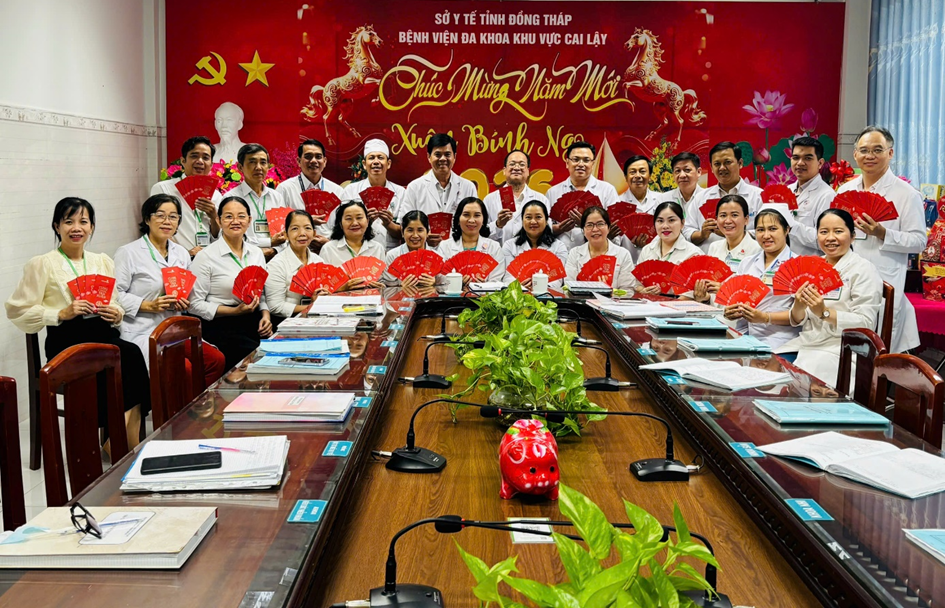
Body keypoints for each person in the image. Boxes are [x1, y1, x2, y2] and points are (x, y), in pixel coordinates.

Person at [5, 197, 148, 449]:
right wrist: (61, 313)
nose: (76, 228)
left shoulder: (101, 261)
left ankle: (122, 439)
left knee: (131, 355)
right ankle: (120, 442)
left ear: (92, 226)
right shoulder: (43, 264)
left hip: (103, 336)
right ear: (56, 226)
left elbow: (115, 302)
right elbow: (17, 310)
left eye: (83, 221)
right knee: (122, 356)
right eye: (68, 221)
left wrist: (115, 313)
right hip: (67, 341)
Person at [113, 194, 226, 387]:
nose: (167, 221)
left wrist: (184, 301)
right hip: (142, 330)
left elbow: (187, 289)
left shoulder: (181, 253)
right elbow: (115, 296)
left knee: (215, 360)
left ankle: (198, 403)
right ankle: (179, 406)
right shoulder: (128, 252)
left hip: (174, 328)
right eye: (160, 215)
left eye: (173, 217)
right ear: (147, 219)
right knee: (183, 368)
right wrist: (149, 305)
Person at [837, 126, 925, 353]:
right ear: (855, 154)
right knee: (845, 344)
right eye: (864, 150)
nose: (870, 156)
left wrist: (883, 233)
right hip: (848, 278)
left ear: (890, 153)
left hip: (884, 280)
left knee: (877, 348)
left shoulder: (906, 194)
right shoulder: (845, 191)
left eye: (878, 150)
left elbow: (919, 241)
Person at [780, 209, 883, 388]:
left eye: (838, 231)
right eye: (824, 232)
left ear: (853, 236)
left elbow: (866, 323)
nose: (830, 238)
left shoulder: (863, 270)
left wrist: (824, 312)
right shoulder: (813, 266)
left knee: (802, 382)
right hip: (808, 342)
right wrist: (798, 305)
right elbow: (797, 319)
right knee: (771, 366)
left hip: (842, 348)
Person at [189, 196, 272, 370]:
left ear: (249, 220)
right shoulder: (205, 256)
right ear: (218, 221)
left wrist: (265, 315)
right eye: (228, 217)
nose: (235, 221)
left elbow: (261, 292)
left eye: (241, 216)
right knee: (260, 360)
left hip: (253, 320)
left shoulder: (257, 253)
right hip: (222, 325)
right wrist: (234, 311)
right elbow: (194, 304)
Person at [720, 208, 800, 351]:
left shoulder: (798, 266)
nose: (766, 235)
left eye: (773, 229)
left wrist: (765, 317)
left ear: (786, 230)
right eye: (760, 230)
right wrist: (729, 312)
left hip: (781, 339)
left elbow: (800, 316)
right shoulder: (747, 263)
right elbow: (733, 298)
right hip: (744, 335)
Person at [399, 133, 477, 248]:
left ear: (454, 157)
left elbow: (476, 221)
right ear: (429, 157)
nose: (443, 159)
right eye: (437, 154)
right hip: (425, 250)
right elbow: (404, 224)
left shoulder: (468, 187)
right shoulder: (415, 187)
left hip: (458, 249)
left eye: (447, 154)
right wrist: (424, 236)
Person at [150, 136, 222, 256]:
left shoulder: (216, 195)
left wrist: (214, 217)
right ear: (183, 161)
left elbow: (216, 235)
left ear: (211, 164)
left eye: (205, 157)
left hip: (208, 258)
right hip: (176, 258)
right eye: (194, 156)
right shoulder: (164, 189)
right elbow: (157, 227)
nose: (200, 161)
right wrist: (184, 254)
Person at [687, 142, 763, 252]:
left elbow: (767, 232)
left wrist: (734, 232)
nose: (722, 168)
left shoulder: (758, 196)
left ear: (740, 163)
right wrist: (702, 234)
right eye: (717, 164)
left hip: (747, 258)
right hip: (709, 258)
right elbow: (687, 231)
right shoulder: (700, 198)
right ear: (711, 167)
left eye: (727, 162)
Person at [546, 141, 619, 250]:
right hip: (561, 253)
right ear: (567, 163)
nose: (581, 164)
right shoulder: (552, 192)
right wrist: (558, 228)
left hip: (595, 253)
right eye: (576, 159)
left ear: (592, 164)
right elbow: (543, 229)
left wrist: (587, 225)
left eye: (586, 160)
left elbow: (615, 230)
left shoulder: (607, 190)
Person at [264, 210, 328, 329]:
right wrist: (311, 306)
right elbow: (275, 306)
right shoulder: (276, 265)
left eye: (307, 228)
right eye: (295, 229)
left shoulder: (319, 261)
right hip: (286, 324)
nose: (302, 233)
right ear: (286, 235)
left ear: (314, 233)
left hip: (317, 321)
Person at [276, 139, 345, 248]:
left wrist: (329, 244)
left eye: (318, 157)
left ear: (325, 161)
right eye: (308, 157)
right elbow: (278, 226)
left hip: (329, 247)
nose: (313, 161)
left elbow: (343, 226)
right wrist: (304, 222)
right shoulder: (285, 189)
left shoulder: (337, 191)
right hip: (295, 248)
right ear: (298, 161)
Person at [340, 139, 406, 250]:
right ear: (364, 164)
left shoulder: (400, 192)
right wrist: (366, 221)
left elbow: (404, 233)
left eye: (380, 157)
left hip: (390, 252)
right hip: (360, 250)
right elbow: (343, 227)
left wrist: (388, 223)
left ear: (388, 164)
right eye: (371, 158)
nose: (376, 161)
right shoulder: (351, 190)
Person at [230, 144, 287, 260]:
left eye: (263, 162)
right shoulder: (231, 198)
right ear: (240, 167)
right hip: (244, 259)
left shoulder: (276, 197)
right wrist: (269, 242)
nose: (258, 167)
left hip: (274, 259)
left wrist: (274, 250)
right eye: (252, 162)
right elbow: (230, 236)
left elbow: (284, 234)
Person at [565, 206, 638, 292]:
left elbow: (628, 290)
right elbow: (569, 286)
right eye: (589, 225)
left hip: (614, 300)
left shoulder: (623, 254)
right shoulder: (574, 253)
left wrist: (608, 292)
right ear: (583, 230)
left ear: (608, 228)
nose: (595, 229)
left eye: (600, 224)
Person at [436, 197, 506, 285]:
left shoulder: (494, 247)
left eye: (477, 215)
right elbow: (439, 279)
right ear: (458, 219)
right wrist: (457, 283)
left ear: (483, 219)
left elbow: (497, 281)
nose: (471, 220)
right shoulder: (444, 246)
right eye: (466, 215)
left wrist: (484, 286)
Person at [483, 150, 549, 243]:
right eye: (512, 164)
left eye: (522, 164)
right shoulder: (489, 200)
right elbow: (482, 234)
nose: (517, 168)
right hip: (499, 251)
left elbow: (547, 231)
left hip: (530, 251)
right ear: (504, 170)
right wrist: (498, 225)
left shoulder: (541, 199)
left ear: (528, 171)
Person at [320, 200, 387, 290]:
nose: (355, 223)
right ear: (340, 223)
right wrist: (343, 288)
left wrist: (380, 286)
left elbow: (383, 280)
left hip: (370, 297)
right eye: (348, 219)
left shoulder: (377, 248)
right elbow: (322, 286)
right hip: (339, 298)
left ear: (367, 221)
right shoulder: (328, 249)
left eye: (359, 218)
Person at [637, 202, 703, 294]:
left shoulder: (694, 254)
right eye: (660, 221)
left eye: (671, 220)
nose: (665, 226)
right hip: (648, 301)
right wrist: (643, 291)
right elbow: (637, 284)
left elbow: (694, 293)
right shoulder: (647, 250)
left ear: (682, 223)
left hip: (680, 302)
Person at [502, 200, 569, 290]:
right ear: (522, 220)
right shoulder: (509, 246)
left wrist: (540, 287)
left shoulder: (558, 246)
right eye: (528, 217)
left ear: (546, 220)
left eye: (538, 217)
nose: (533, 221)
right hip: (518, 293)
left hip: (547, 294)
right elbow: (508, 276)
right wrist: (520, 287)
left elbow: (558, 278)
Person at [787, 136, 836, 256]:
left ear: (820, 163)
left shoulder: (827, 196)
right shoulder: (786, 190)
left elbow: (826, 240)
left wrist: (790, 225)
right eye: (796, 158)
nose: (800, 163)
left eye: (808, 158)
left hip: (810, 262)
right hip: (782, 261)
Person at [382, 210, 437, 288]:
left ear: (427, 232)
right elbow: (387, 287)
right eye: (410, 230)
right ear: (402, 232)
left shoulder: (436, 256)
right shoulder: (392, 256)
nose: (415, 235)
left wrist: (434, 284)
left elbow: (445, 286)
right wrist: (401, 287)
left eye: (420, 230)